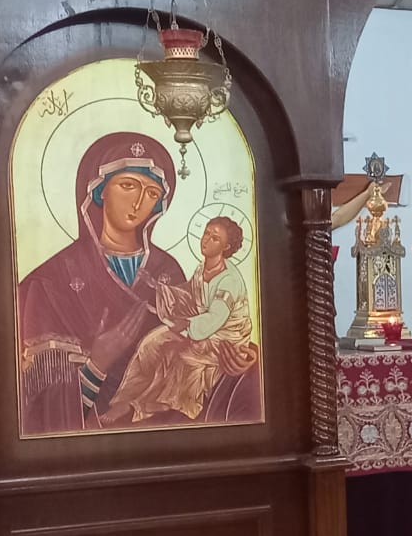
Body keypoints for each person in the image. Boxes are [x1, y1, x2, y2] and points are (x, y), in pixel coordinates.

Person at [18, 132, 188, 435]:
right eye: (128, 185)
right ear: (99, 190)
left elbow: (186, 363)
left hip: (162, 435)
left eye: (152, 193)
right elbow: (34, 407)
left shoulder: (168, 271)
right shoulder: (50, 281)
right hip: (86, 445)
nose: (139, 202)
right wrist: (97, 364)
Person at [103, 216, 258, 424]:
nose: (206, 240)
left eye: (215, 238)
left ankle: (158, 405)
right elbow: (191, 294)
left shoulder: (228, 281)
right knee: (152, 343)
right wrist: (160, 289)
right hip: (199, 327)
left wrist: (187, 324)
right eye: (206, 233)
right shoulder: (202, 269)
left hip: (224, 338)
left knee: (185, 358)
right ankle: (125, 399)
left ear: (226, 247)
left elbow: (216, 317)